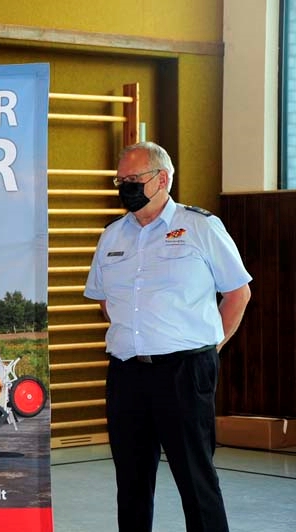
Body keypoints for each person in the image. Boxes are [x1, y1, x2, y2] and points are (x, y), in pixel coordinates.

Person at [84, 141, 252, 532]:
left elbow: (238, 293)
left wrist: (210, 347)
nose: (124, 186)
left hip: (185, 372)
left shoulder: (200, 227)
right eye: (119, 180)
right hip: (127, 374)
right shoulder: (112, 236)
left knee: (196, 481)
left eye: (133, 179)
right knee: (131, 484)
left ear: (163, 179)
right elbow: (105, 301)